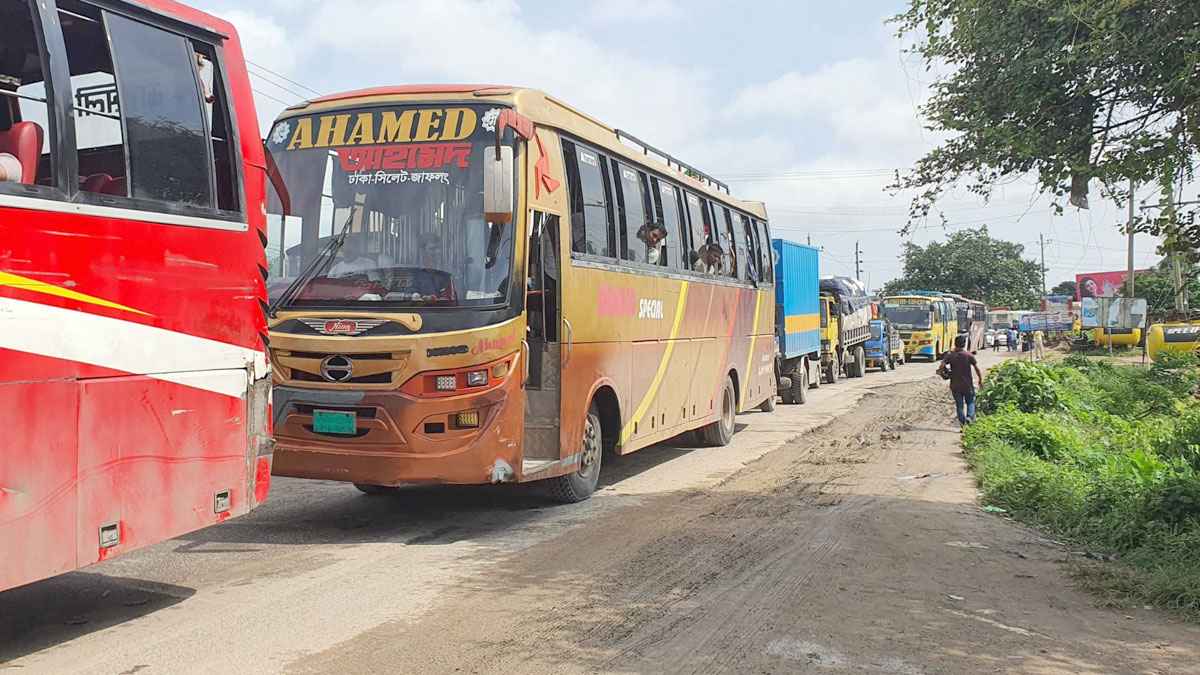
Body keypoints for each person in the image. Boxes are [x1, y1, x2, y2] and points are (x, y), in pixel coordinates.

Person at [940, 334, 984, 428]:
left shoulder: (950, 356)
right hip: (967, 385)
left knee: (959, 405)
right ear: (964, 344)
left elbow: (941, 366)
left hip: (955, 385)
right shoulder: (969, 355)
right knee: (970, 402)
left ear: (955, 344)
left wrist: (945, 373)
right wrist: (980, 380)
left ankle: (963, 424)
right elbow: (977, 369)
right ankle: (969, 417)